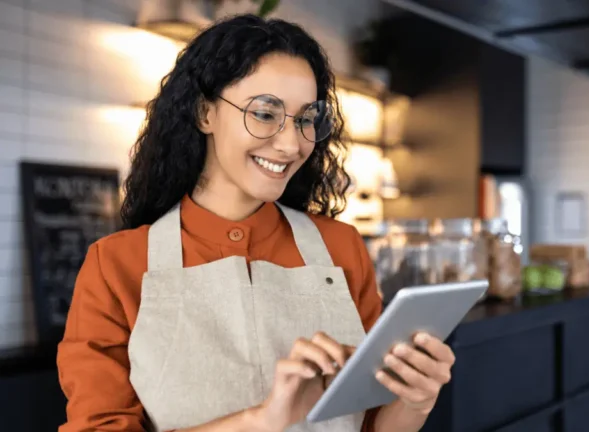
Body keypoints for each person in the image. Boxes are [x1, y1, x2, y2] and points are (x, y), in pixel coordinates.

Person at [56, 14, 455, 432]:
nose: (290, 143)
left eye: (305, 119)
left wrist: (417, 400)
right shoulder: (116, 265)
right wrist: (258, 421)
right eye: (265, 113)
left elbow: (371, 422)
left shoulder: (341, 246)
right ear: (204, 112)